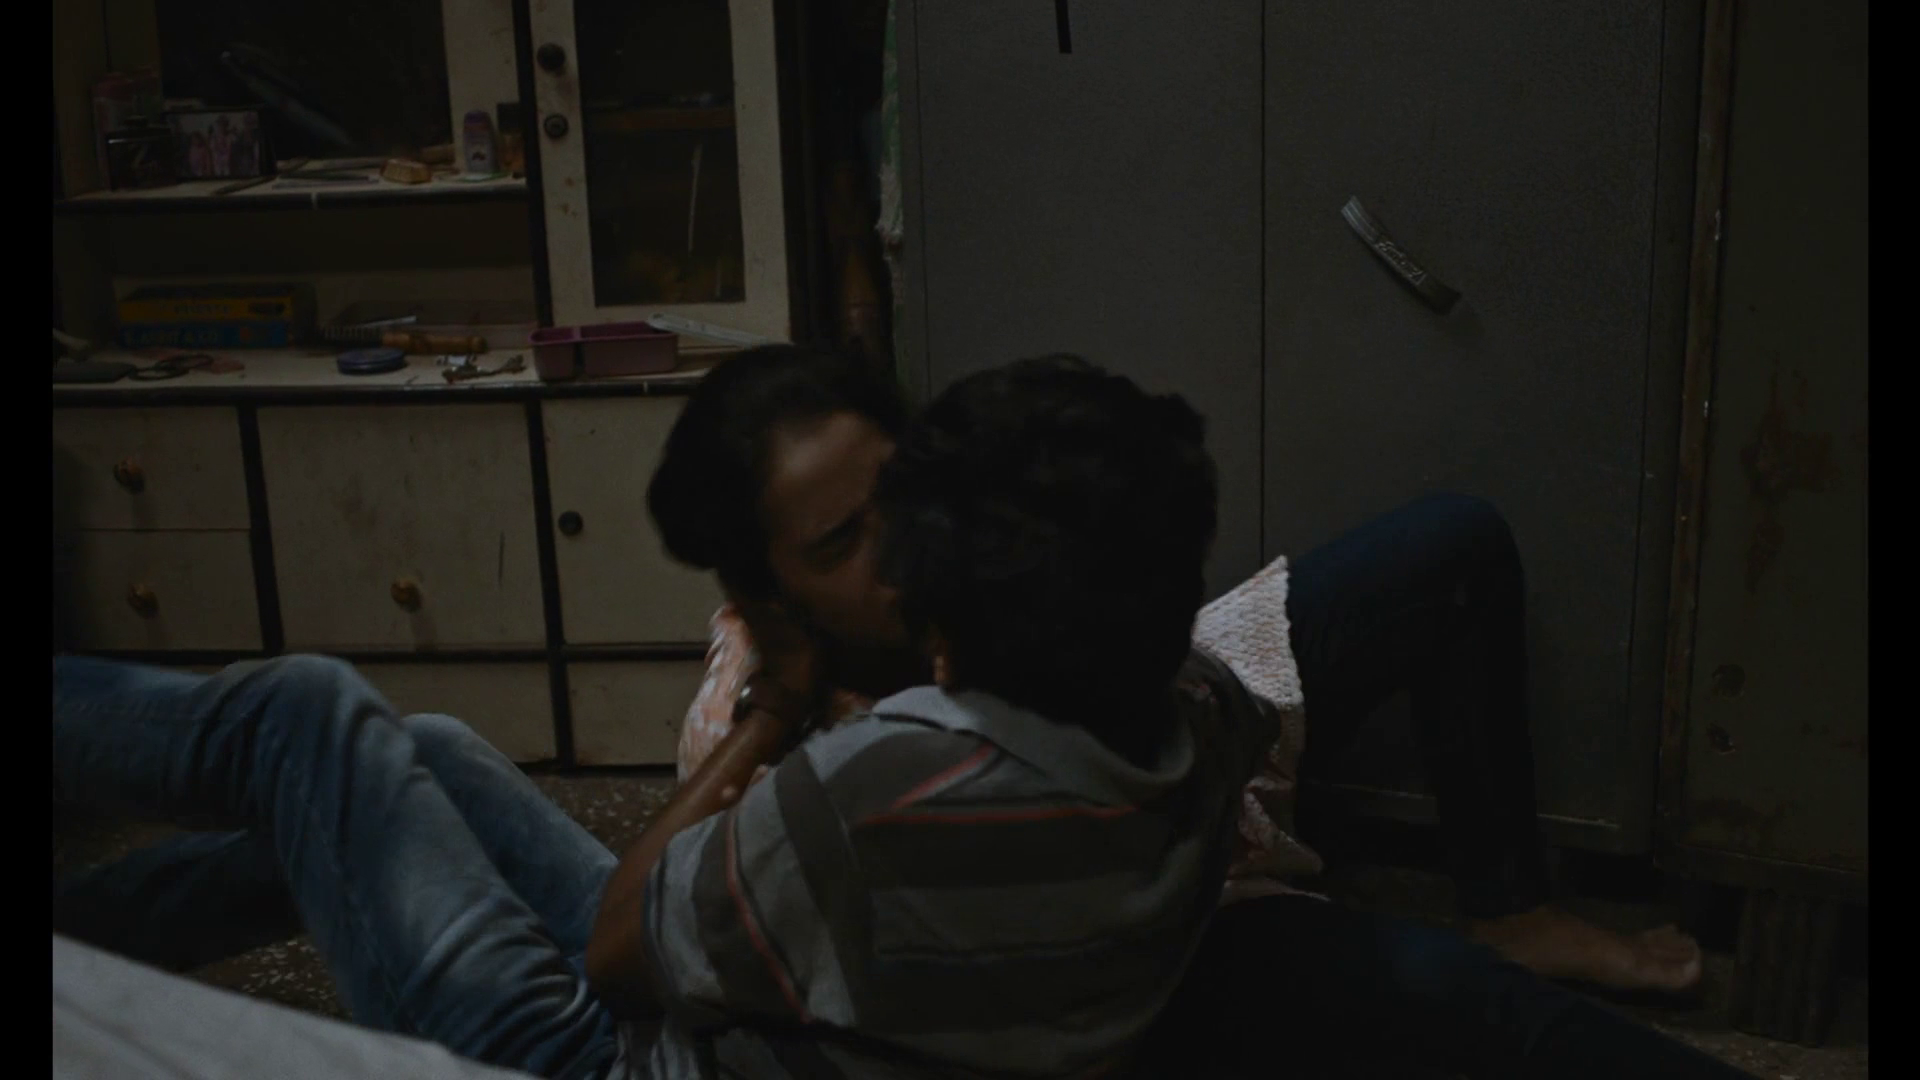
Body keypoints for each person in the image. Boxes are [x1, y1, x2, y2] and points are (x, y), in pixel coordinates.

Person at [54, 354, 1747, 1079]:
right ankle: (93, 941)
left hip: (599, 1046)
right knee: (419, 760)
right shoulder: (1186, 702)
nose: (878, 549)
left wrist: (767, 725)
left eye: (894, 523)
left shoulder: (876, 784)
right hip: (756, 961)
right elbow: (1224, 711)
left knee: (310, 719)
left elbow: (628, 947)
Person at [653, 346, 1702, 994]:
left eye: (897, 489)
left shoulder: (983, 550)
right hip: (1164, 890)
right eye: (840, 544)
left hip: (1196, 718)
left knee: (1453, 547)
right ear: (769, 593)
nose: (899, 543)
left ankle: (1512, 906)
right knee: (1440, 999)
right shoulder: (803, 764)